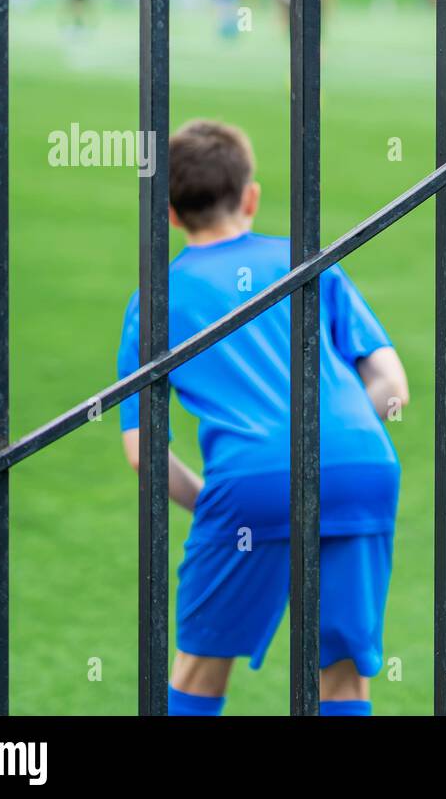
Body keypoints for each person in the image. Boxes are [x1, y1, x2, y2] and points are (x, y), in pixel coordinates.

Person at [116, 120, 409, 716]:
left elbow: (143, 452)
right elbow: (392, 385)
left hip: (252, 479)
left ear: (170, 214)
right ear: (250, 196)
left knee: (200, 668)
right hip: (362, 464)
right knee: (344, 671)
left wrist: (216, 502)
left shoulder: (156, 299)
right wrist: (338, 434)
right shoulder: (307, 262)